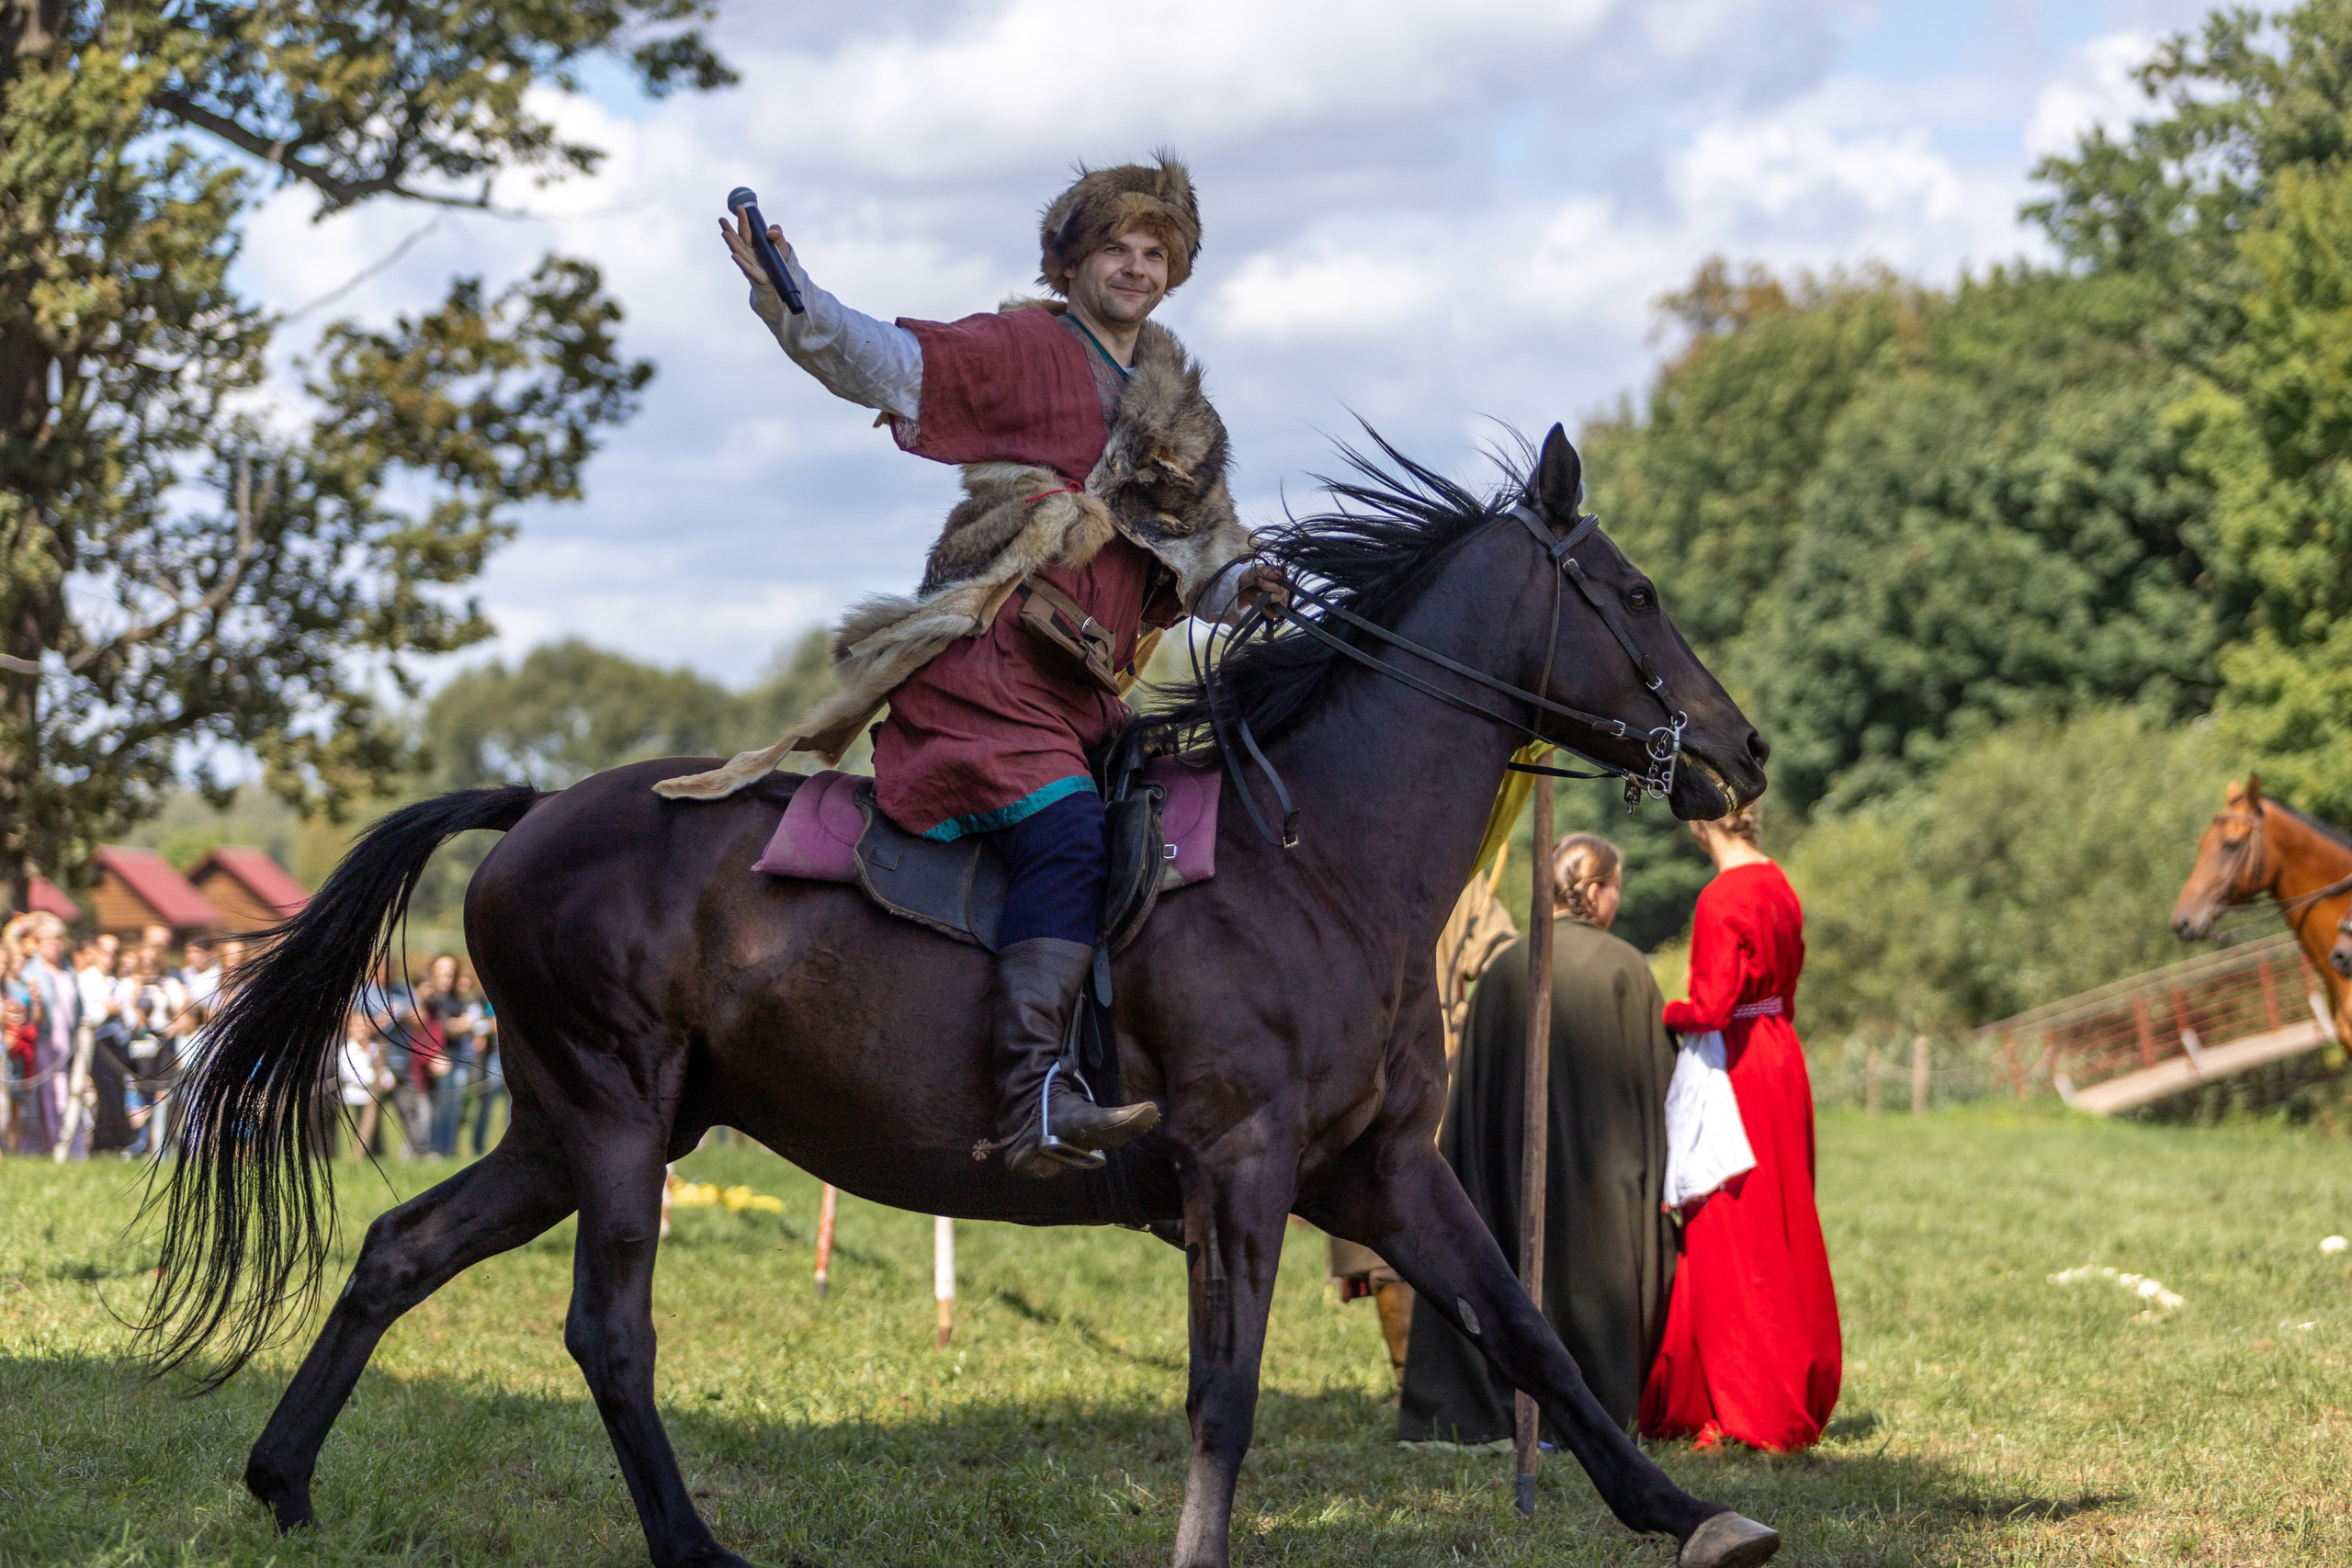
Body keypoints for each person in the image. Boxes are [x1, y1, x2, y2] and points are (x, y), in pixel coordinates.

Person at [662, 155, 1274, 1177]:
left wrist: (1251, 586)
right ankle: (1033, 1090)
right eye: (1113, 247)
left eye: (1153, 252)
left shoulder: (1176, 407)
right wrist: (795, 303)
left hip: (1087, 701)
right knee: (1070, 828)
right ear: (1068, 262)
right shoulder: (1025, 348)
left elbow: (1208, 555)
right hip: (988, 682)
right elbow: (891, 362)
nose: (1133, 266)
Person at [1399, 834, 1679, 1442]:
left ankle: (1505, 1399)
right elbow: (1660, 1093)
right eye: (1616, 888)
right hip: (1608, 1191)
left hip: (1507, 1180)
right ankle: (1593, 1409)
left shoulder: (1504, 968)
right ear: (1597, 891)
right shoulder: (1626, 966)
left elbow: (1469, 1102)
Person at [1639, 804, 1841, 1452]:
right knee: (1782, 1220)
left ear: (1701, 826)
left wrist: (1661, 1009)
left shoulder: (1722, 895)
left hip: (1742, 1065)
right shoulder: (1778, 881)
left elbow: (1712, 1004)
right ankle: (1786, 1375)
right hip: (1782, 1050)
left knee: (1733, 1228)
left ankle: (1750, 1397)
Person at [17, 912, 78, 1156]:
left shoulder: (68, 970)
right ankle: (42, 1148)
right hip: (43, 1042)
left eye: (58, 939)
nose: (55, 945)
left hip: (67, 1041)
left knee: (66, 1094)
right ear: (39, 943)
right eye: (49, 940)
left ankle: (67, 1147)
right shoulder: (31, 972)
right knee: (46, 1097)